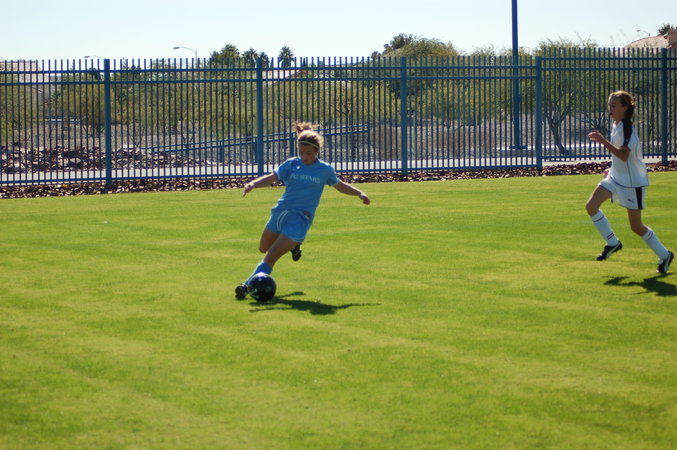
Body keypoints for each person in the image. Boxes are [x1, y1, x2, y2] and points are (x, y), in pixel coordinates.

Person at [235, 122, 371, 299]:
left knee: (270, 257)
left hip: (300, 218)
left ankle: (246, 287)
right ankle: (294, 245)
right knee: (263, 248)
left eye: (308, 153)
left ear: (316, 151)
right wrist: (253, 184)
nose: (304, 156)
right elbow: (272, 177)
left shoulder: (324, 170)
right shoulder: (292, 164)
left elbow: (340, 186)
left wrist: (359, 193)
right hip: (281, 212)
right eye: (301, 152)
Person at [585, 90, 673, 273]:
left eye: (614, 105)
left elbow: (624, 155)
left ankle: (665, 255)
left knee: (636, 227)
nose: (610, 109)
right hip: (615, 177)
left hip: (633, 184)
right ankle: (613, 242)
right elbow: (621, 157)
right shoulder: (616, 125)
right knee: (591, 206)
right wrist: (611, 169)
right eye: (609, 105)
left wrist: (602, 141)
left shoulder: (627, 127)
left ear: (624, 108)